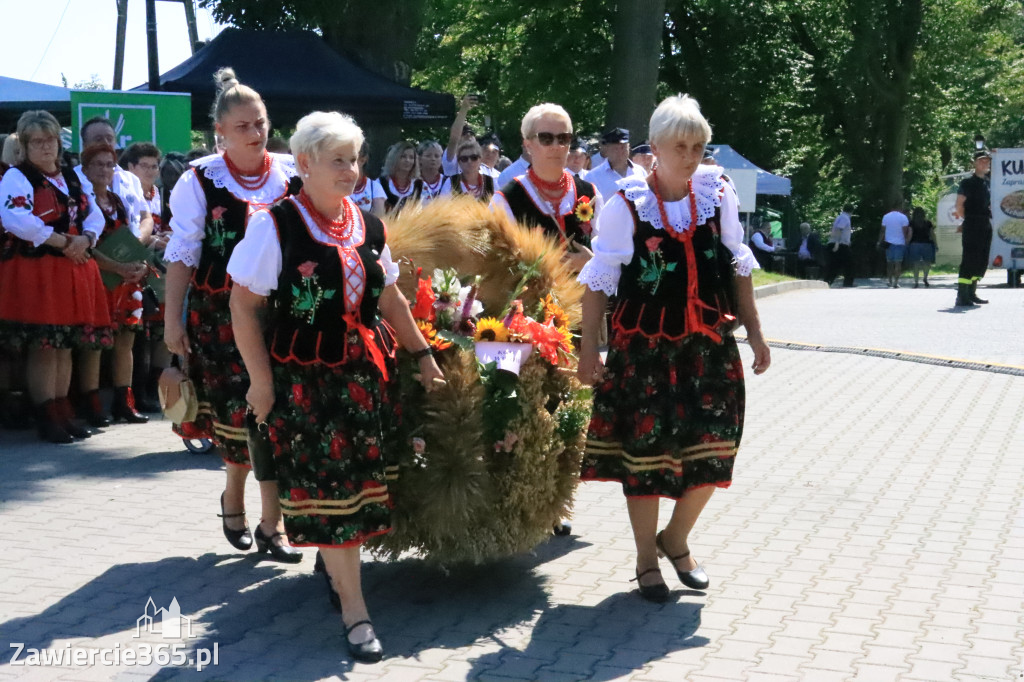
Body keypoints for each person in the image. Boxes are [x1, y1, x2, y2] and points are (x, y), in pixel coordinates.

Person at [227, 111, 445, 663]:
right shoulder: (274, 225)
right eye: (338, 160)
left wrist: (422, 354)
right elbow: (244, 306)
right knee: (333, 489)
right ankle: (356, 611)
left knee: (358, 489)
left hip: (364, 377)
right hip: (308, 383)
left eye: (356, 159)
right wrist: (260, 381)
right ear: (304, 164)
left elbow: (389, 296)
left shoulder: (368, 224)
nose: (351, 170)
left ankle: (336, 567)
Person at [576, 94, 769, 602]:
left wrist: (755, 329)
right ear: (655, 148)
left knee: (717, 447)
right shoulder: (626, 204)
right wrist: (588, 352)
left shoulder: (718, 195)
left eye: (698, 146)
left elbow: (737, 264)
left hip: (707, 345)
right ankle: (646, 558)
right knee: (647, 457)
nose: (690, 155)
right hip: (644, 350)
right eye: (680, 145)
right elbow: (598, 280)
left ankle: (676, 539)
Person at [163, 67, 301, 561]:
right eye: (242, 126)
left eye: (260, 123)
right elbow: (182, 254)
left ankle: (271, 522)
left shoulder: (292, 172)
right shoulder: (199, 179)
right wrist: (171, 321)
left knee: (276, 413)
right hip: (221, 315)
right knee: (242, 415)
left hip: (284, 312)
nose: (255, 133)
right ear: (219, 130)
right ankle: (239, 501)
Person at [0, 110, 112, 443]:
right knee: (46, 346)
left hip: (74, 268)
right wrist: (64, 241)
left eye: (50, 140)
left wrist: (87, 239)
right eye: (37, 141)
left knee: (65, 345)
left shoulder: (70, 177)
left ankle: (63, 410)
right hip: (41, 269)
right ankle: (46, 414)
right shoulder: (17, 178)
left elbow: (95, 214)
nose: (46, 147)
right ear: (25, 144)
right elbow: (15, 218)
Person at [76, 142, 150, 427]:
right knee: (94, 343)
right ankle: (92, 404)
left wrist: (139, 263)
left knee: (126, 340)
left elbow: (128, 237)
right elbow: (87, 248)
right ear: (85, 169)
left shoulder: (118, 201)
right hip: (97, 280)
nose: (105, 170)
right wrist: (117, 267)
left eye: (109, 164)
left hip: (124, 281)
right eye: (98, 164)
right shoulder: (81, 202)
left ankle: (125, 402)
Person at [490, 103, 602, 274]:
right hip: (530, 299)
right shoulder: (507, 199)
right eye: (546, 138)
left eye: (563, 139)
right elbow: (496, 266)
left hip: (584, 298)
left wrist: (591, 263)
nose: (556, 146)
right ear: (528, 145)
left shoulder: (590, 192)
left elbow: (608, 258)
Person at [123, 142, 168, 413]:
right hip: (133, 265)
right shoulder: (126, 191)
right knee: (140, 333)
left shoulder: (156, 193)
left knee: (162, 330)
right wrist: (151, 239)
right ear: (130, 167)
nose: (152, 171)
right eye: (145, 166)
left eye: (155, 166)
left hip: (158, 267)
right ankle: (136, 391)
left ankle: (155, 387)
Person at [74, 117, 153, 244]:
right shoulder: (73, 179)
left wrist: (138, 240)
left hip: (130, 253)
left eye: (109, 138)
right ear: (85, 145)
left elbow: (145, 217)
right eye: (98, 139)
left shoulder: (131, 179)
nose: (105, 143)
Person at [952, 150, 992, 305]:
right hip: (972, 222)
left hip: (985, 223)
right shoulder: (967, 183)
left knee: (981, 259)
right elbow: (959, 205)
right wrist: (967, 220)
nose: (985, 163)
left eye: (987, 161)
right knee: (970, 258)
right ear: (974, 163)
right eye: (981, 161)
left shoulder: (987, 182)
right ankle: (962, 296)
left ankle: (972, 292)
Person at [586, 127, 648, 201]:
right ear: (607, 150)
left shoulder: (640, 172)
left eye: (623, 147)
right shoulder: (593, 176)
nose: (620, 151)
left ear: (629, 148)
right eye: (615, 148)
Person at [380, 141, 419, 211]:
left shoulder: (419, 184)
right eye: (403, 156)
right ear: (394, 158)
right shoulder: (381, 183)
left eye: (411, 157)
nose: (408, 160)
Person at [878, 201, 910, 288]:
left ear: (892, 208)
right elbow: (905, 231)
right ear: (900, 208)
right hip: (900, 243)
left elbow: (883, 230)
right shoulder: (903, 217)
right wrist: (906, 240)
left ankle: (889, 281)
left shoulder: (886, 217)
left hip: (888, 243)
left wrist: (879, 241)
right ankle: (896, 282)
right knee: (898, 263)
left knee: (889, 263)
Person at [349, 142, 385, 217]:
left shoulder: (375, 187)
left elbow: (379, 218)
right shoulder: (335, 184)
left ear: (363, 160)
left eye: (352, 159)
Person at [906, 206, 937, 288]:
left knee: (916, 264)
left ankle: (916, 282)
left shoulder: (911, 223)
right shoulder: (928, 223)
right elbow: (932, 234)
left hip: (914, 244)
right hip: (927, 244)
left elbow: (910, 234)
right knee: (927, 263)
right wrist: (936, 244)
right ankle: (925, 278)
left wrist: (907, 243)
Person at [825, 205, 855, 287]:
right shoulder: (845, 218)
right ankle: (848, 283)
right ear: (851, 211)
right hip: (840, 244)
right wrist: (837, 243)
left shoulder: (840, 217)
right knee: (850, 263)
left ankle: (827, 281)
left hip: (838, 243)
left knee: (835, 264)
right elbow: (839, 229)